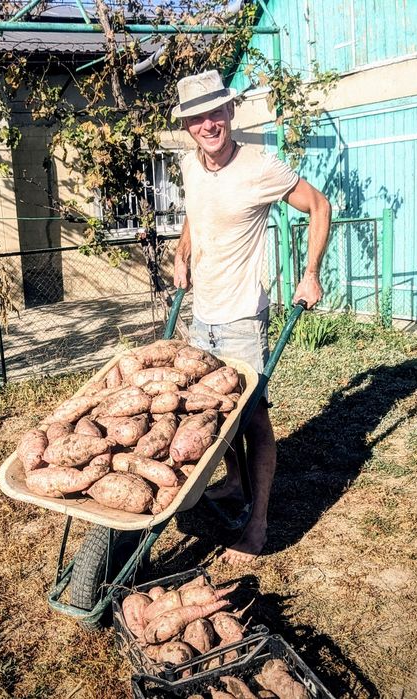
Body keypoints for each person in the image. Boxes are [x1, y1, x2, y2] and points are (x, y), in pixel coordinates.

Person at [172, 70, 332, 565]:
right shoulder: (189, 167)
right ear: (188, 126)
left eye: (215, 112)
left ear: (230, 112)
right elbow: (197, 214)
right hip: (203, 317)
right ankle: (234, 480)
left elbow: (319, 205)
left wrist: (310, 273)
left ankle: (258, 523)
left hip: (243, 317)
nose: (208, 124)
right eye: (197, 118)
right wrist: (182, 252)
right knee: (209, 414)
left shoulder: (261, 166)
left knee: (252, 417)